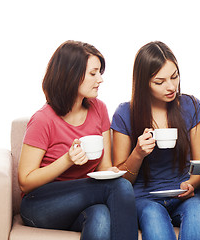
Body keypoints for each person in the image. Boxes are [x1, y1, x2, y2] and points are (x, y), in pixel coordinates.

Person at [18, 40, 138, 240]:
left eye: (100, 72)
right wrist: (67, 160)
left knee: (100, 216)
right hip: (40, 205)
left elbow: (103, 167)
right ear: (71, 74)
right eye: (93, 73)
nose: (100, 79)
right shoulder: (43, 119)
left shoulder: (99, 109)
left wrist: (112, 172)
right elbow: (25, 182)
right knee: (121, 187)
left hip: (82, 205)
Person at [111, 41, 200, 240]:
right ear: (143, 83)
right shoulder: (125, 113)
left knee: (199, 212)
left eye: (174, 77)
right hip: (144, 198)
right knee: (153, 217)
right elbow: (121, 182)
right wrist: (138, 154)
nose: (171, 86)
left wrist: (191, 184)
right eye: (160, 82)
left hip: (185, 194)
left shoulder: (190, 105)